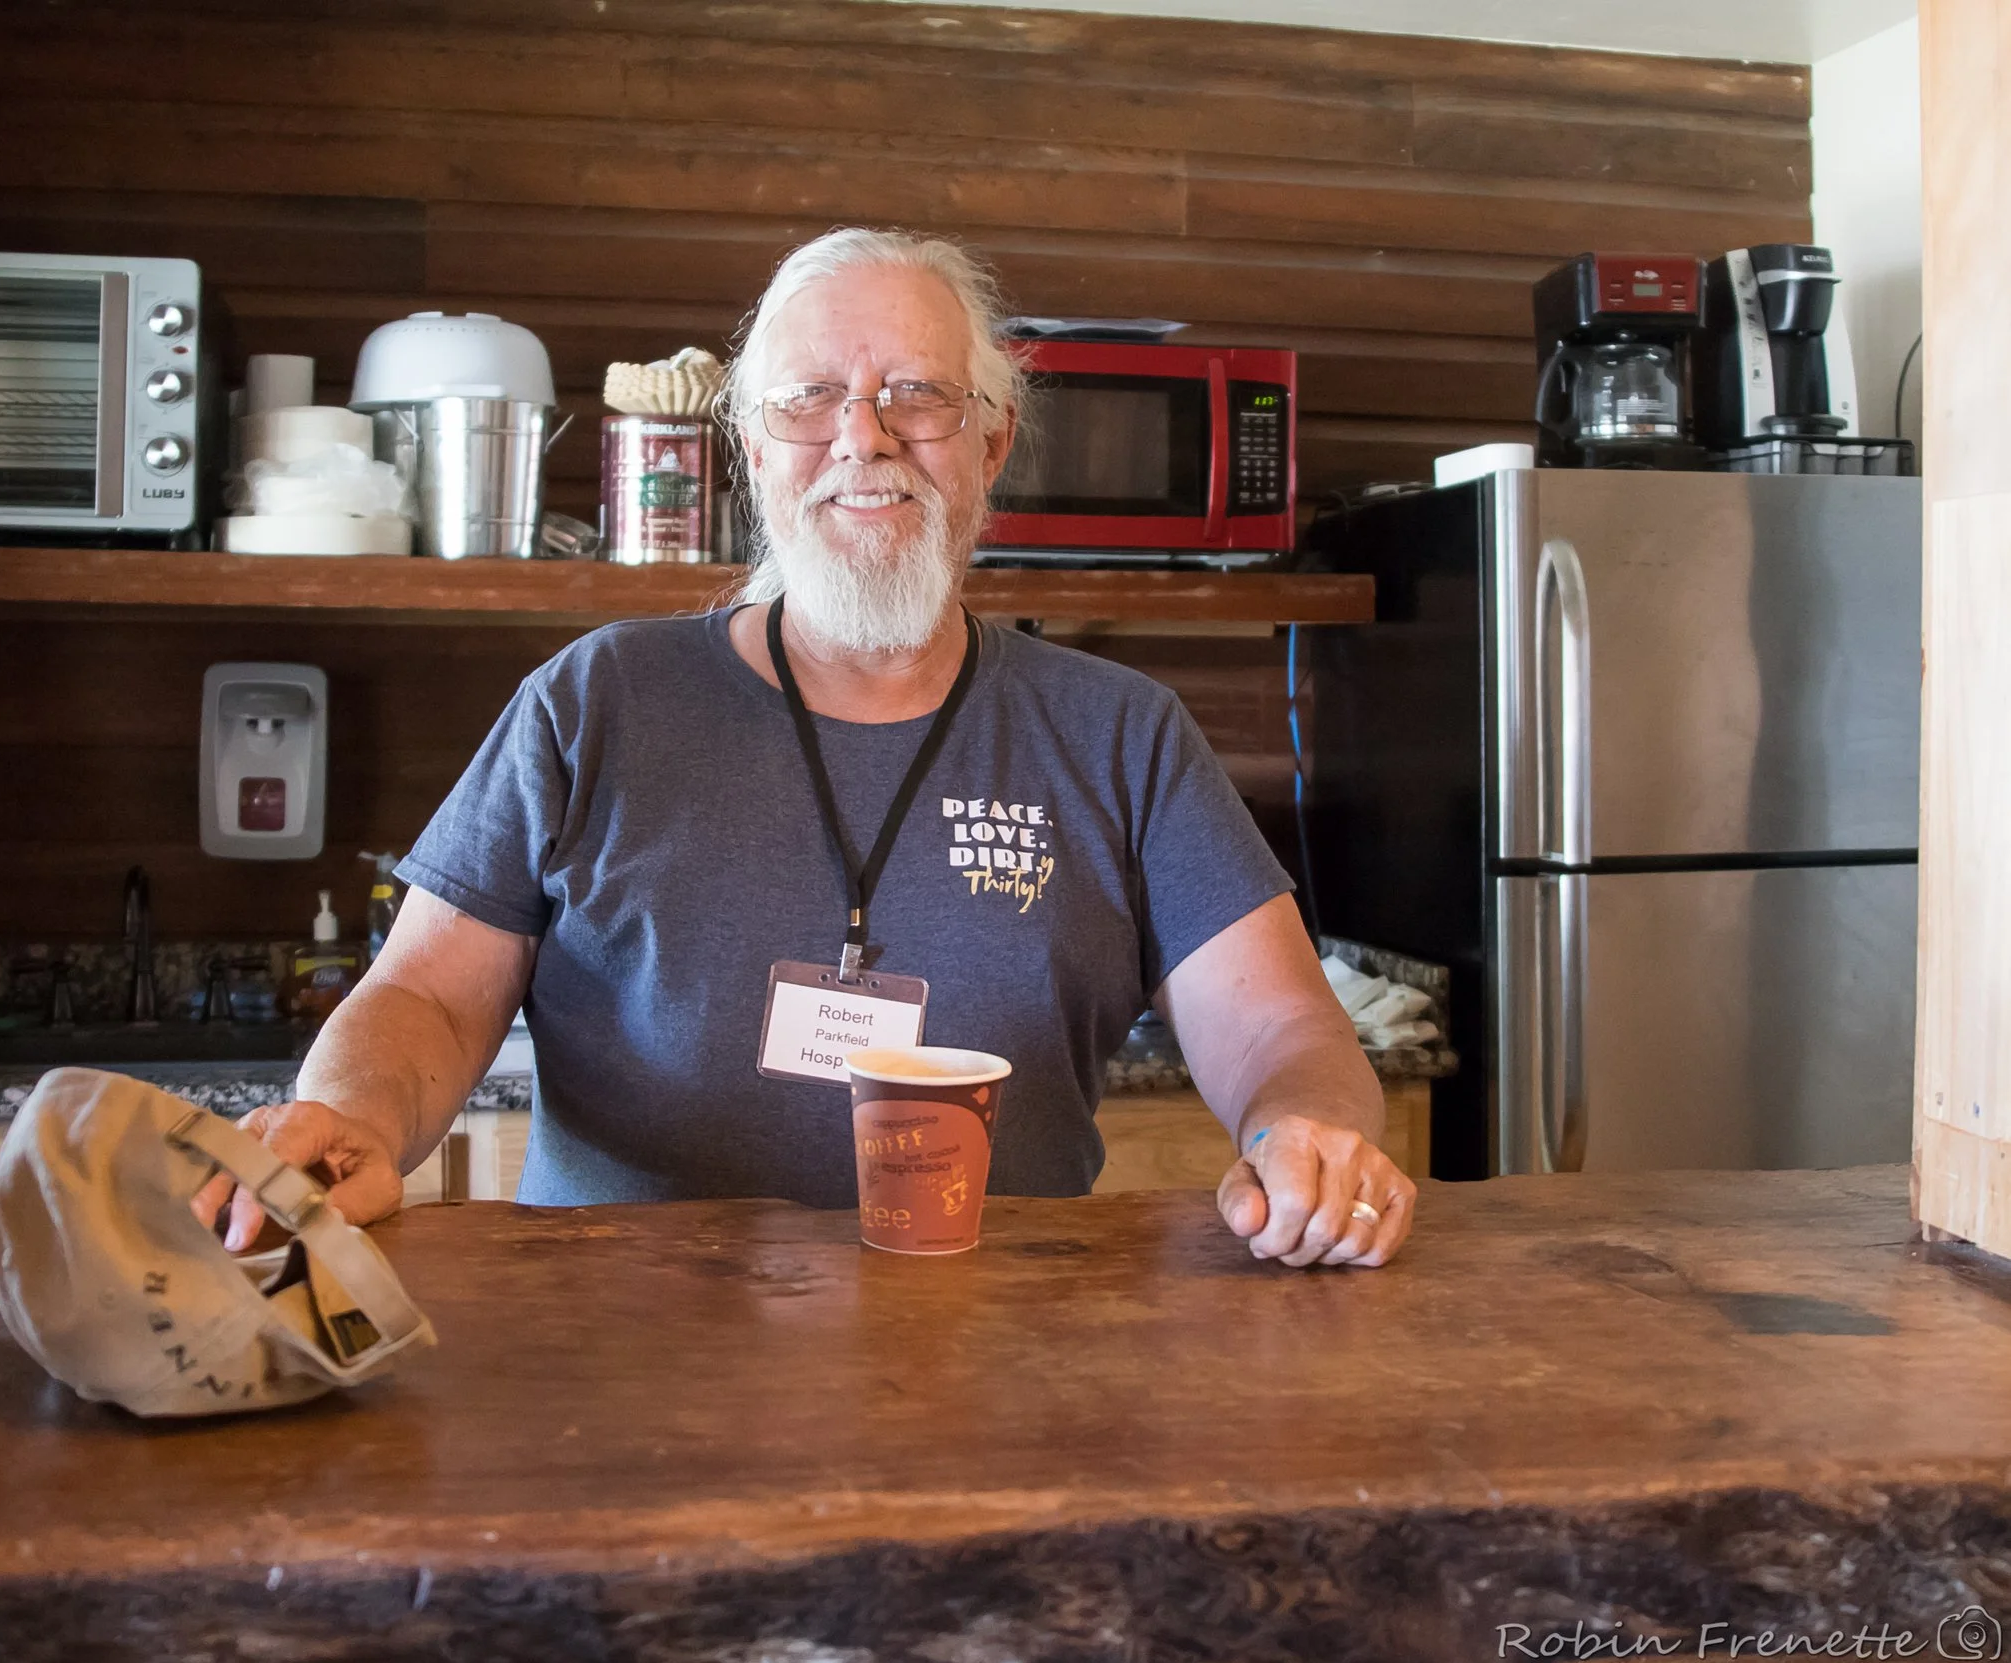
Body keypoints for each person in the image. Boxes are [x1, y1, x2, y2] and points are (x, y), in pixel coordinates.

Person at [196, 227, 1417, 1269]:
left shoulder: (1119, 732)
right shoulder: (597, 699)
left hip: (1005, 1354)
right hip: (627, 1354)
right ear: (753, 448)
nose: (864, 436)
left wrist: (1302, 1131)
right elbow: (422, 997)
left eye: (919, 395)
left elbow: (1281, 1032)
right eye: (810, 398)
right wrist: (343, 1109)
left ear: (990, 445)